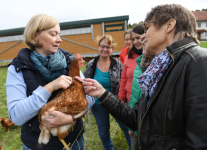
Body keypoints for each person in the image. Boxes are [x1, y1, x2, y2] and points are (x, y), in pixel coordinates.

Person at [76, 4, 207, 149]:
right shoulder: (159, 68)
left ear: (169, 25)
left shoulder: (199, 61)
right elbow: (135, 117)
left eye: (148, 27)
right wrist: (102, 93)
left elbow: (199, 140)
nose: (143, 36)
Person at [5, 14, 95, 150]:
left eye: (59, 34)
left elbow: (90, 95)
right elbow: (16, 116)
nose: (59, 40)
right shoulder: (18, 68)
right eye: (53, 34)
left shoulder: (68, 62)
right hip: (40, 145)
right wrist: (50, 87)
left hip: (74, 141)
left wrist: (71, 118)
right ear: (35, 36)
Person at [83, 35, 131, 150]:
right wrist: (88, 104)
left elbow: (123, 82)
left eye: (108, 47)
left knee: (126, 127)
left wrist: (123, 100)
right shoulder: (91, 65)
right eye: (102, 46)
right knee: (104, 130)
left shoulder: (118, 64)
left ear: (112, 49)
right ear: (99, 47)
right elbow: (84, 84)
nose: (105, 49)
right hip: (98, 104)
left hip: (115, 101)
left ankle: (133, 147)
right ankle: (109, 148)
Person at [118, 24, 144, 150]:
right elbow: (124, 79)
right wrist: (121, 99)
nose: (135, 42)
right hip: (130, 101)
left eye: (138, 38)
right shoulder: (130, 55)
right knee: (133, 137)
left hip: (146, 104)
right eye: (133, 39)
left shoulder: (153, 56)